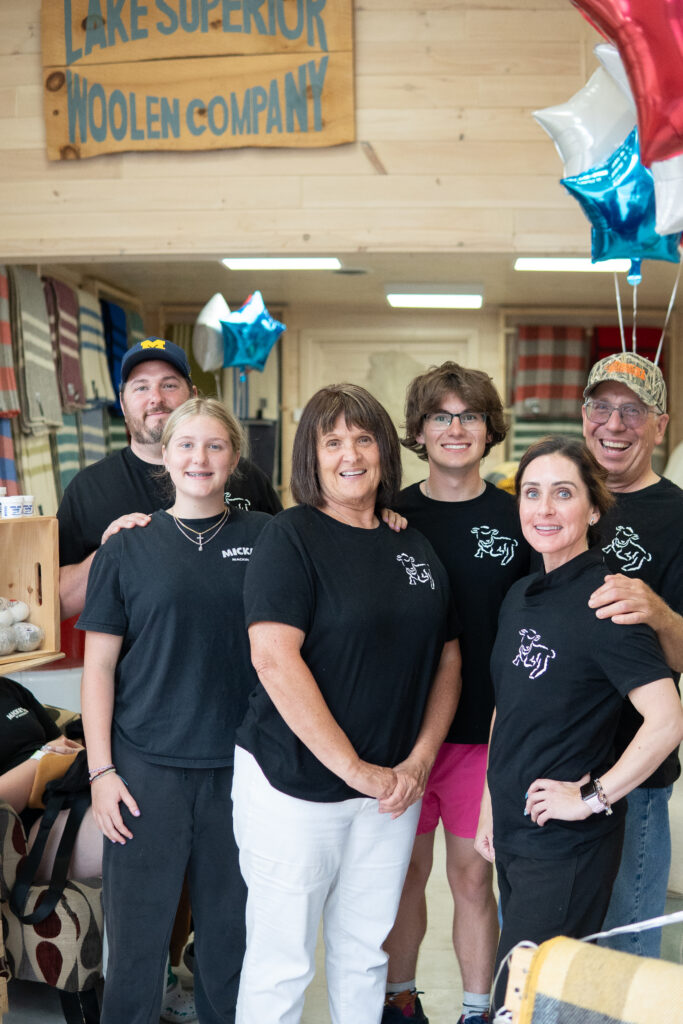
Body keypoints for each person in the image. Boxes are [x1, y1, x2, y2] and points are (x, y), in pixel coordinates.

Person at [232, 383, 462, 1024]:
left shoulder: (411, 544)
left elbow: (448, 657)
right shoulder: (291, 537)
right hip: (294, 788)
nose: (350, 454)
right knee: (282, 964)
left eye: (363, 438)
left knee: (365, 957)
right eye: (332, 441)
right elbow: (274, 659)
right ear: (313, 455)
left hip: (387, 793)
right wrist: (357, 772)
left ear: (385, 451)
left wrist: (418, 761)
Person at [78, 397, 271, 1024]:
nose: (199, 458)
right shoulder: (126, 548)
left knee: (228, 947)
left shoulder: (269, 541)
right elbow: (99, 669)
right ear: (165, 455)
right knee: (134, 949)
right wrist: (101, 774)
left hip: (241, 774)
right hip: (143, 776)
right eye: (186, 445)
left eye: (215, 446)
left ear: (234, 459)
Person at [474, 436, 683, 1012]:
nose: (543, 508)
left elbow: (667, 720)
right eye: (532, 492)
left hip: (564, 848)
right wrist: (492, 802)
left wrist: (591, 796)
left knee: (528, 1003)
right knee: (524, 995)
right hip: (516, 832)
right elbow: (509, 704)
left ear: (593, 509)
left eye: (562, 494)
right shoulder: (522, 593)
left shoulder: (607, 601)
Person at [382, 363, 529, 1024]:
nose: (454, 428)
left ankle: (477, 1010)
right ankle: (399, 1001)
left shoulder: (516, 515)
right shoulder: (387, 518)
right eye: (439, 416)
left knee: (472, 878)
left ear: (488, 428)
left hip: (485, 736)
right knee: (401, 879)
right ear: (417, 430)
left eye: (468, 415)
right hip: (402, 738)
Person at [58, 336, 282, 621]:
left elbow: (287, 574)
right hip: (144, 662)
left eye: (169, 385)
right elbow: (58, 603)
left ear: (193, 396)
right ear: (123, 405)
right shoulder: (88, 489)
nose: (156, 398)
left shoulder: (246, 477)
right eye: (141, 387)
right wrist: (110, 553)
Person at [581, 351, 683, 957]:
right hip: (549, 762)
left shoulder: (678, 515)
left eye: (632, 410)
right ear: (584, 413)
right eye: (602, 407)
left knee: (622, 956)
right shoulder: (555, 498)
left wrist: (659, 610)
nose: (614, 424)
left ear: (660, 424)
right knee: (551, 953)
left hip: (634, 772)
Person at [0, 676, 101, 880]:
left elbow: (61, 741)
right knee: (139, 823)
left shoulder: (8, 688)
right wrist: (40, 762)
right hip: (30, 826)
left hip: (71, 787)